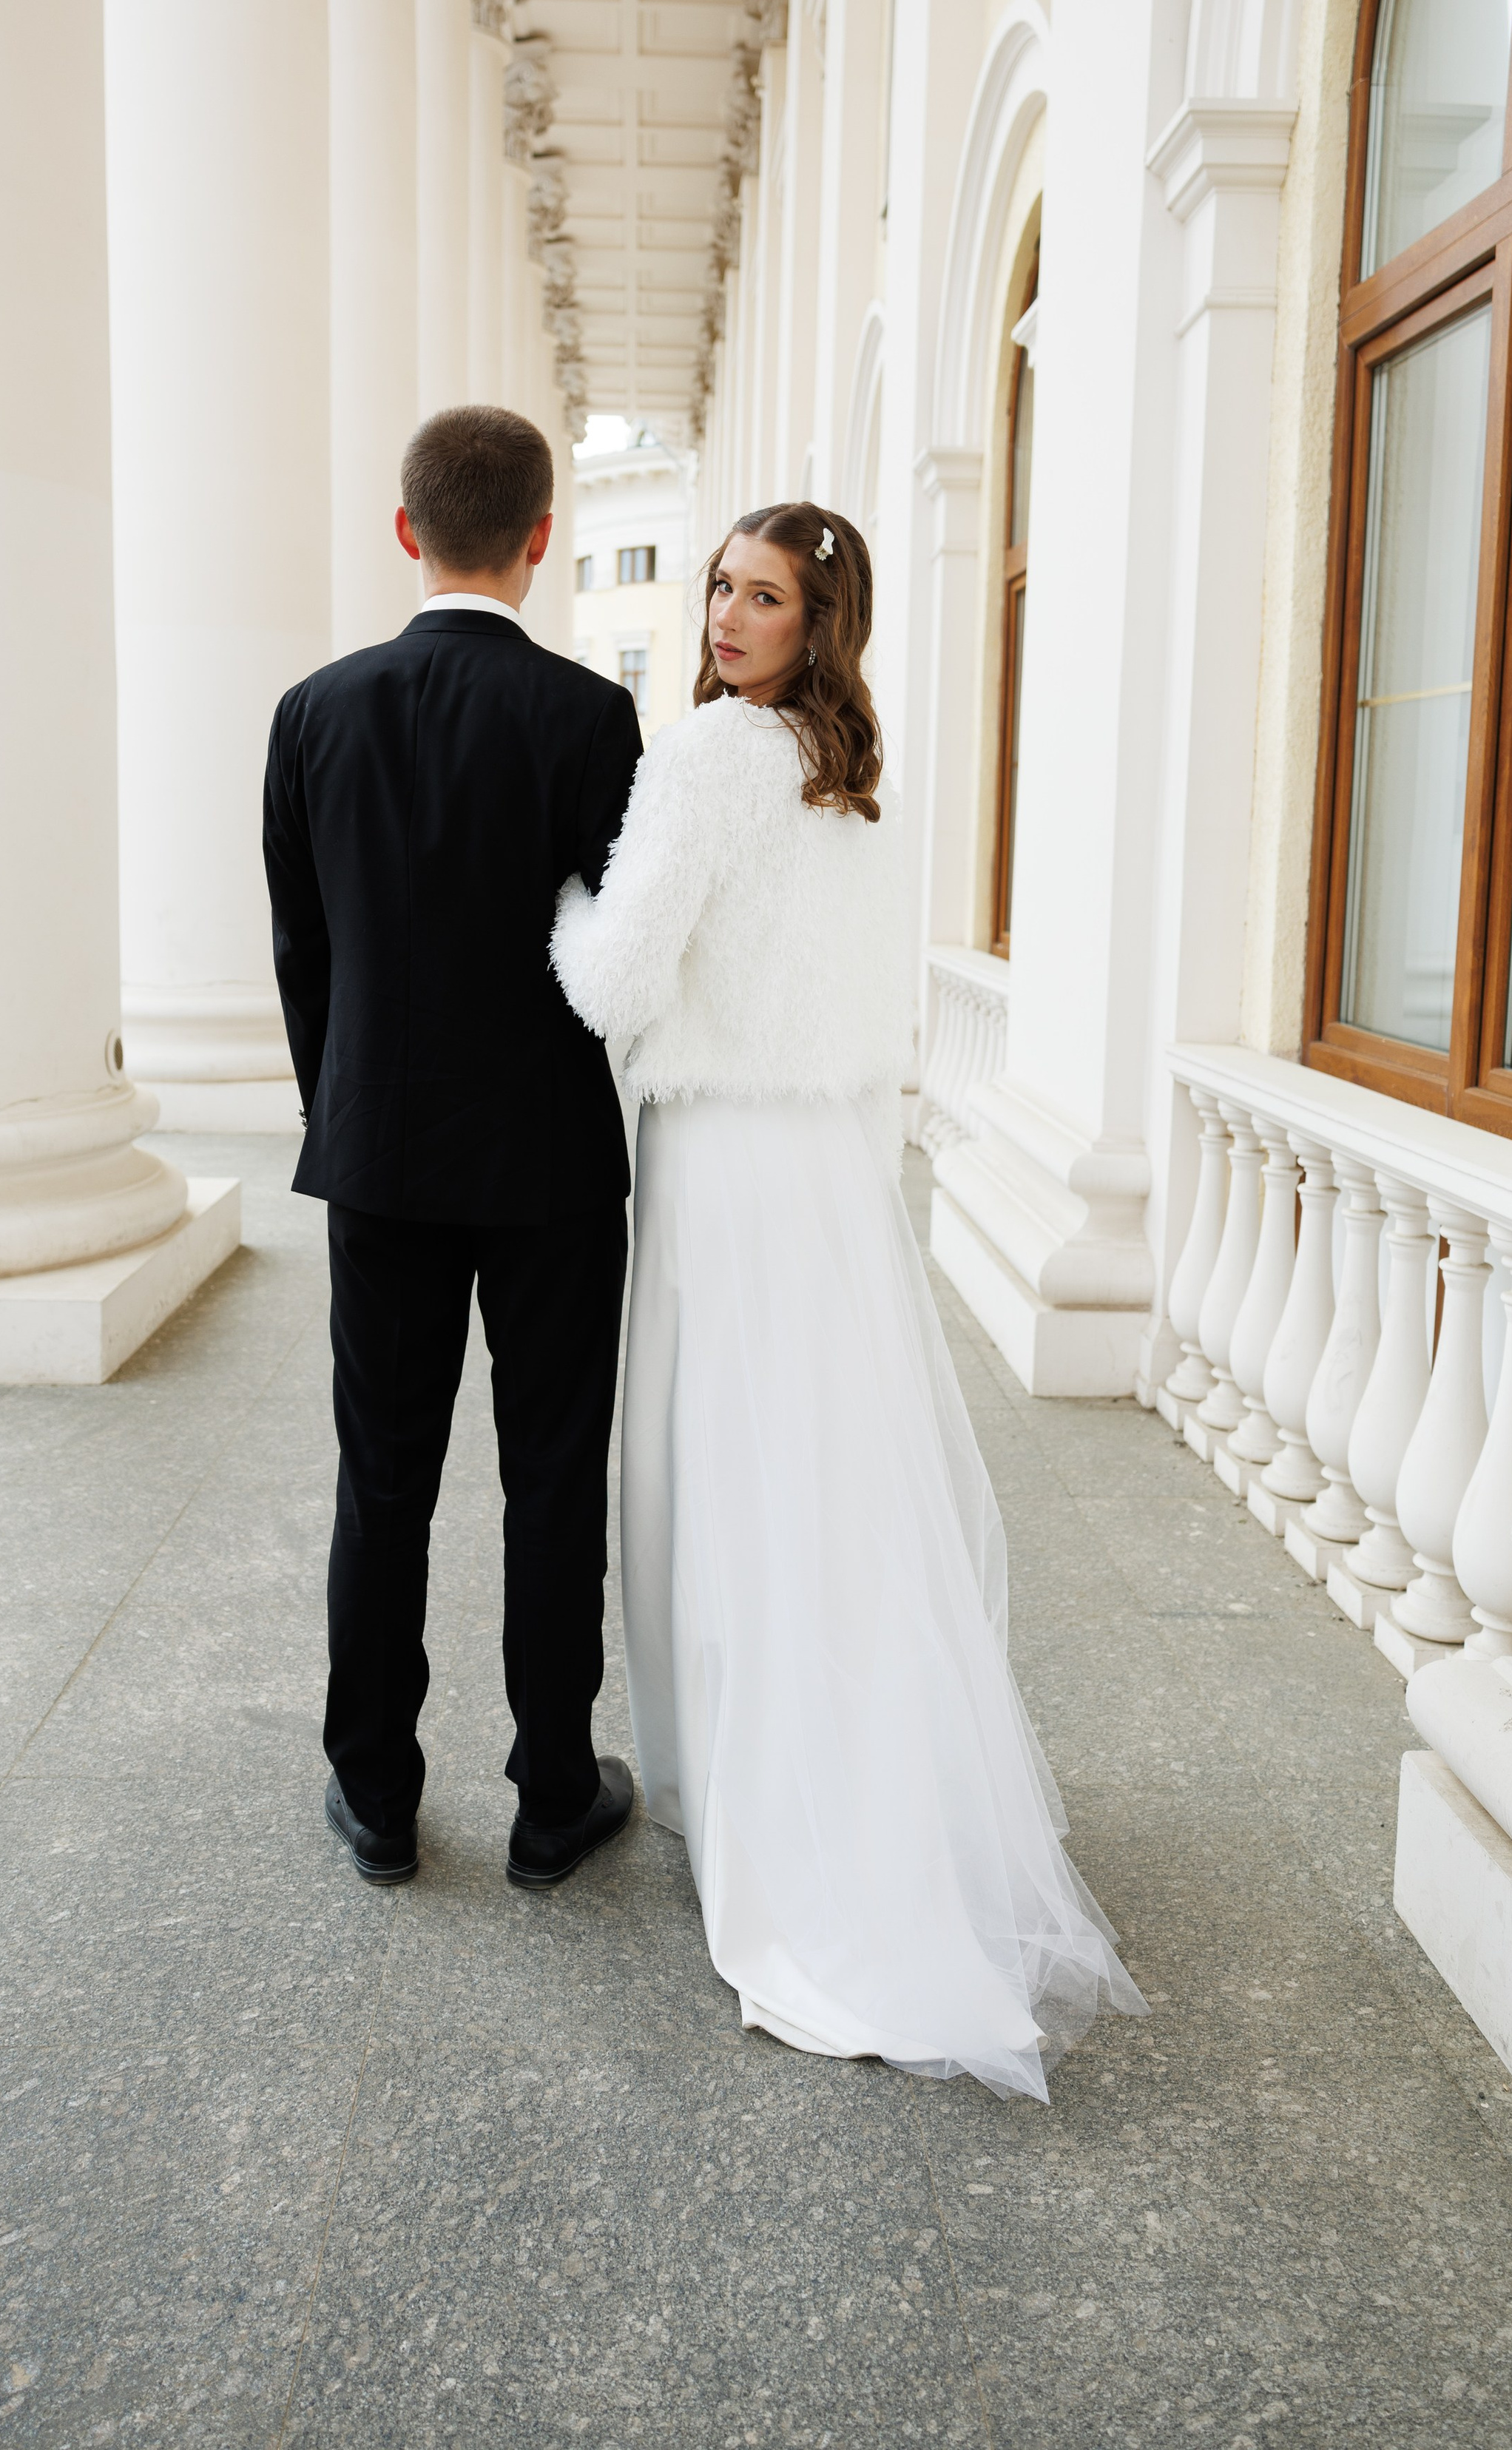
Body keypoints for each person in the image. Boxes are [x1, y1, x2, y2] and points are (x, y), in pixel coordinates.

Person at [550, 500, 1147, 2095]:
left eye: (761, 597)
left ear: (819, 624)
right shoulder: (853, 777)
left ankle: (755, 1792)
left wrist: (565, 903)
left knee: (730, 1476)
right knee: (830, 1483)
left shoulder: (705, 757)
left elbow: (614, 984)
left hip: (724, 1161)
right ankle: (857, 1778)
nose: (724, 617)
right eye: (719, 588)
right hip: (825, 1166)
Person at [263, 405, 644, 1892]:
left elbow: (304, 952)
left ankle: (375, 1795)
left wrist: (344, 1108)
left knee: (382, 1479)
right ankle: (553, 1798)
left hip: (380, 1155)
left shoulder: (314, 711)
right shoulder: (590, 720)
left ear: (405, 530)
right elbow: (611, 950)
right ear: (543, 537)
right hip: (550, 1163)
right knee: (552, 1475)